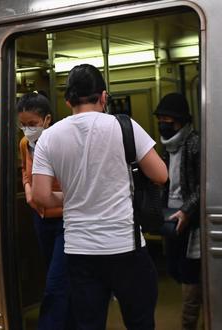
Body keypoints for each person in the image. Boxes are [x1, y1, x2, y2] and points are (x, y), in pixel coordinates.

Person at [31, 64, 168, 330]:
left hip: (79, 250)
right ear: (103, 97)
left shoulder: (49, 138)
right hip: (125, 247)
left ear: (68, 99)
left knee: (88, 323)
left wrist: (69, 196)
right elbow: (161, 175)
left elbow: (41, 197)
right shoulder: (124, 126)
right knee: (140, 322)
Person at [17, 92, 73, 330]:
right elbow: (25, 172)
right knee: (57, 278)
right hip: (41, 220)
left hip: (65, 221)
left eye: (33, 124)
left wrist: (46, 196)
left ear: (47, 120)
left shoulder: (61, 142)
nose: (27, 130)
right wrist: (28, 189)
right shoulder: (24, 144)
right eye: (23, 125)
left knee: (55, 283)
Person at [154, 93, 201, 330]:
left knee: (190, 271)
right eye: (160, 119)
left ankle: (189, 324)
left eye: (168, 120)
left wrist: (186, 210)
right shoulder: (167, 146)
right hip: (170, 216)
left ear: (181, 121)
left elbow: (204, 186)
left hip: (191, 219)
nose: (163, 124)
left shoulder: (194, 144)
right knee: (174, 268)